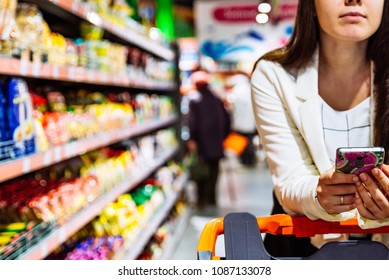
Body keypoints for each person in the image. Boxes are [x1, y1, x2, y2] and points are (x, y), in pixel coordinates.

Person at [250, 0, 389, 257]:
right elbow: (289, 181)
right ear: (310, 5)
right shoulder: (273, 75)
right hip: (302, 248)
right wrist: (318, 194)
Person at [187, 70, 231, 207]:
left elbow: (192, 122)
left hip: (202, 144)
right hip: (216, 143)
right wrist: (223, 136)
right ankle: (212, 198)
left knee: (202, 172)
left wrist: (192, 138)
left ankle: (202, 199)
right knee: (214, 172)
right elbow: (227, 120)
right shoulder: (217, 99)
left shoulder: (194, 100)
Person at [225, 73, 257, 167]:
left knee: (242, 143)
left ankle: (244, 161)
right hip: (251, 123)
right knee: (249, 143)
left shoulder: (236, 91)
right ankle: (250, 161)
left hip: (239, 123)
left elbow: (230, 105)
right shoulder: (249, 89)